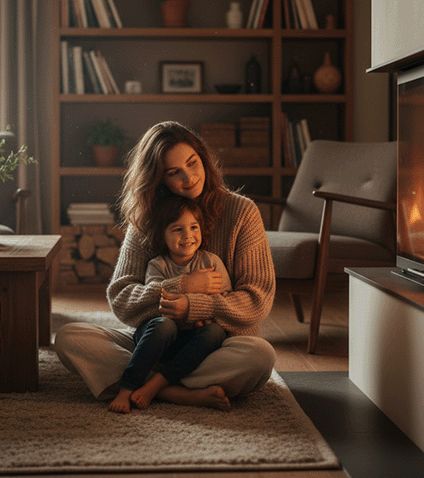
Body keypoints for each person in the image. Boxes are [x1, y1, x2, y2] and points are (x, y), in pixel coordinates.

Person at [55, 120, 277, 410]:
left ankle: (142, 384)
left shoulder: (243, 212)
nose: (190, 178)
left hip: (215, 347)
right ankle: (178, 392)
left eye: (193, 163)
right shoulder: (147, 220)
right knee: (70, 338)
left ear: (204, 159)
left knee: (260, 356)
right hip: (153, 344)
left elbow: (258, 300)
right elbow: (121, 297)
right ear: (159, 180)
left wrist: (193, 305)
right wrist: (179, 286)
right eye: (174, 173)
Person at [109, 196, 230, 413]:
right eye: (177, 229)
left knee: (216, 333)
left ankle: (156, 385)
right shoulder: (157, 265)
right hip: (157, 338)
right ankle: (126, 388)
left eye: (194, 227)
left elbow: (224, 299)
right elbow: (159, 301)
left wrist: (199, 310)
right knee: (164, 325)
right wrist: (189, 285)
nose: (188, 235)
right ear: (162, 236)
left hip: (191, 342)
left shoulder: (211, 262)